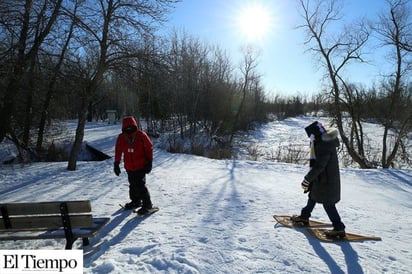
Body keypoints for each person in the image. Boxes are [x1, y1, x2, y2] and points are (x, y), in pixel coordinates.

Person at [291, 121, 346, 238]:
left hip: (327, 181)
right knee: (312, 196)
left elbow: (319, 166)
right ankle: (304, 217)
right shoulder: (324, 141)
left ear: (314, 135)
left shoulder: (324, 145)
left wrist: (307, 179)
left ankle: (339, 228)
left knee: (328, 204)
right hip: (323, 179)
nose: (310, 140)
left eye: (310, 137)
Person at [114, 116, 154, 214]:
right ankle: (135, 201)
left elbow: (149, 148)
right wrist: (116, 163)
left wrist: (149, 162)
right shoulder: (121, 138)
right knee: (132, 184)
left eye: (130, 127)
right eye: (126, 128)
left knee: (140, 185)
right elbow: (118, 151)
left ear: (134, 126)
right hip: (129, 166)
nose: (129, 130)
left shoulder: (141, 135)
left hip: (141, 166)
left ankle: (147, 205)